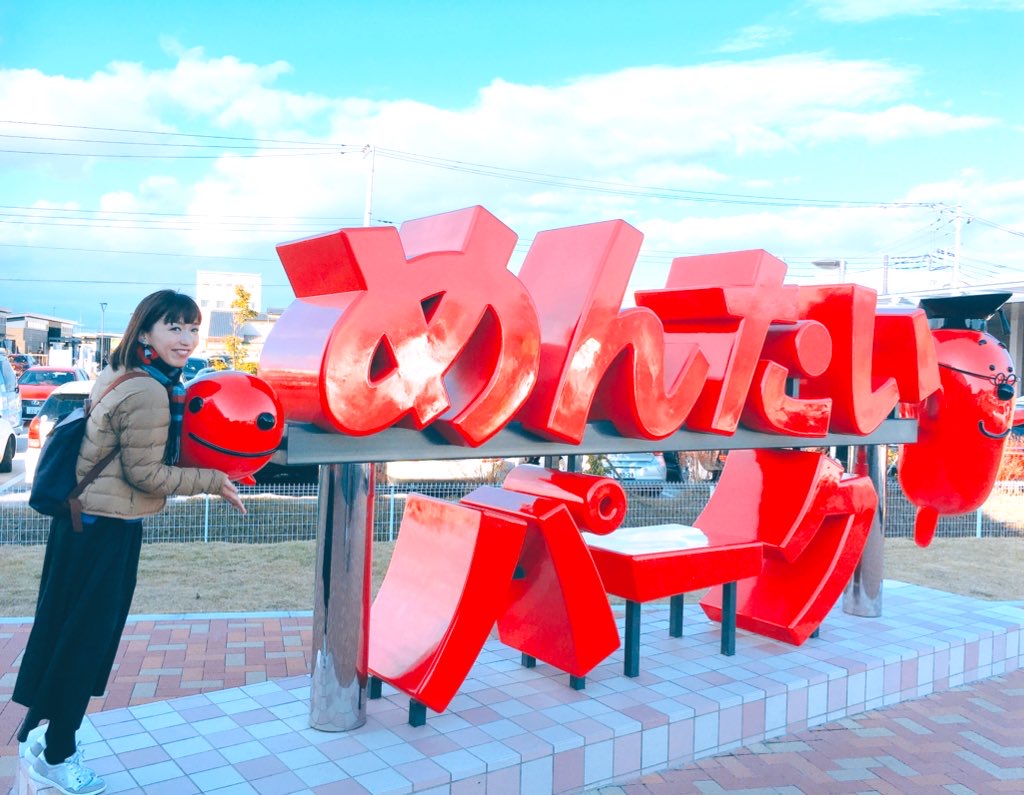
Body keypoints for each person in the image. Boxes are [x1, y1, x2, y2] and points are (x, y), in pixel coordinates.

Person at [13, 290, 247, 795]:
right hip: (105, 531)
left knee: (64, 631)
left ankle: (35, 735)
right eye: (174, 327)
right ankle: (57, 755)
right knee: (87, 643)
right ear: (145, 332)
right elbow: (147, 474)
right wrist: (214, 480)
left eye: (192, 328)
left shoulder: (119, 372)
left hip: (80, 524)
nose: (186, 339)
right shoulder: (149, 391)